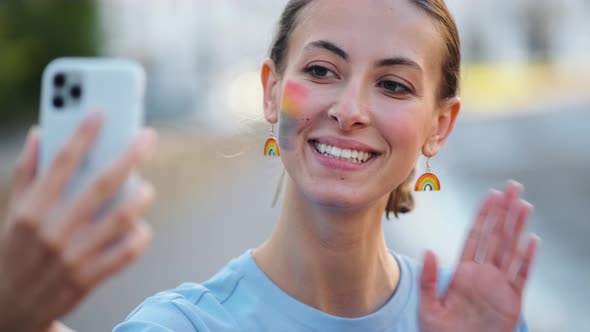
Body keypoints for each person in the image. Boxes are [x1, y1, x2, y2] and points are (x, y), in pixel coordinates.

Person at [0, 0, 539, 331]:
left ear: (439, 126)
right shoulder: (183, 325)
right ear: (271, 92)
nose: (349, 110)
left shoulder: (476, 315)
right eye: (323, 70)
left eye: (393, 84)